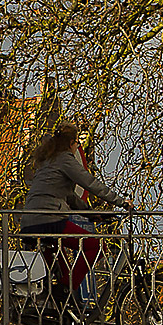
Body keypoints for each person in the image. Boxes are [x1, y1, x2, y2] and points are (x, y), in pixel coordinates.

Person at [19, 123, 132, 290]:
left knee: (64, 270)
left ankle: (62, 297)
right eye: (77, 143)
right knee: (96, 246)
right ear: (71, 143)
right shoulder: (65, 159)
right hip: (49, 219)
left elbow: (70, 197)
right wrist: (121, 202)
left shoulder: (48, 162)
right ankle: (67, 288)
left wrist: (90, 214)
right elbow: (90, 183)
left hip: (30, 221)